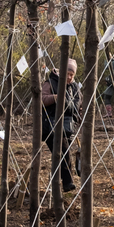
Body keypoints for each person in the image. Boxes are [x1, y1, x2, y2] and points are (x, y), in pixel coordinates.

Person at [40, 58, 81, 194]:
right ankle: (68, 182)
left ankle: (56, 184)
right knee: (63, 151)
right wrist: (56, 97)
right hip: (50, 126)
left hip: (68, 127)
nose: (69, 77)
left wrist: (66, 103)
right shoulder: (50, 82)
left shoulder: (75, 87)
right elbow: (41, 100)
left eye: (72, 75)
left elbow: (76, 106)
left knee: (61, 155)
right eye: (67, 73)